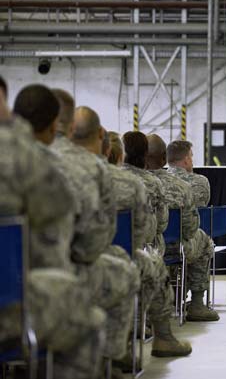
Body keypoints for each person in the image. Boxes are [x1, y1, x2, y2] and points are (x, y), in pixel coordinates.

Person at [4, 83, 106, 379]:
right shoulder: (47, 167)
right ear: (55, 128)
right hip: (10, 305)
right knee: (87, 319)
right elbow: (71, 251)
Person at [51, 93, 140, 361]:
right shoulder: (99, 172)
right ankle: (110, 360)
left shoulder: (27, 161)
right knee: (126, 269)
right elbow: (94, 242)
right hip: (66, 272)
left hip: (15, 276)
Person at [120, 131, 192, 357]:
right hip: (143, 250)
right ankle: (162, 335)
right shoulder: (151, 183)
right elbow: (159, 225)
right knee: (154, 263)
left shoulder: (101, 178)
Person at [146, 134, 219, 322]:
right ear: (186, 158)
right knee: (204, 240)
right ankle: (196, 303)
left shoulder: (139, 183)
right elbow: (190, 227)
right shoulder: (192, 183)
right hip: (176, 247)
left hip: (145, 248)